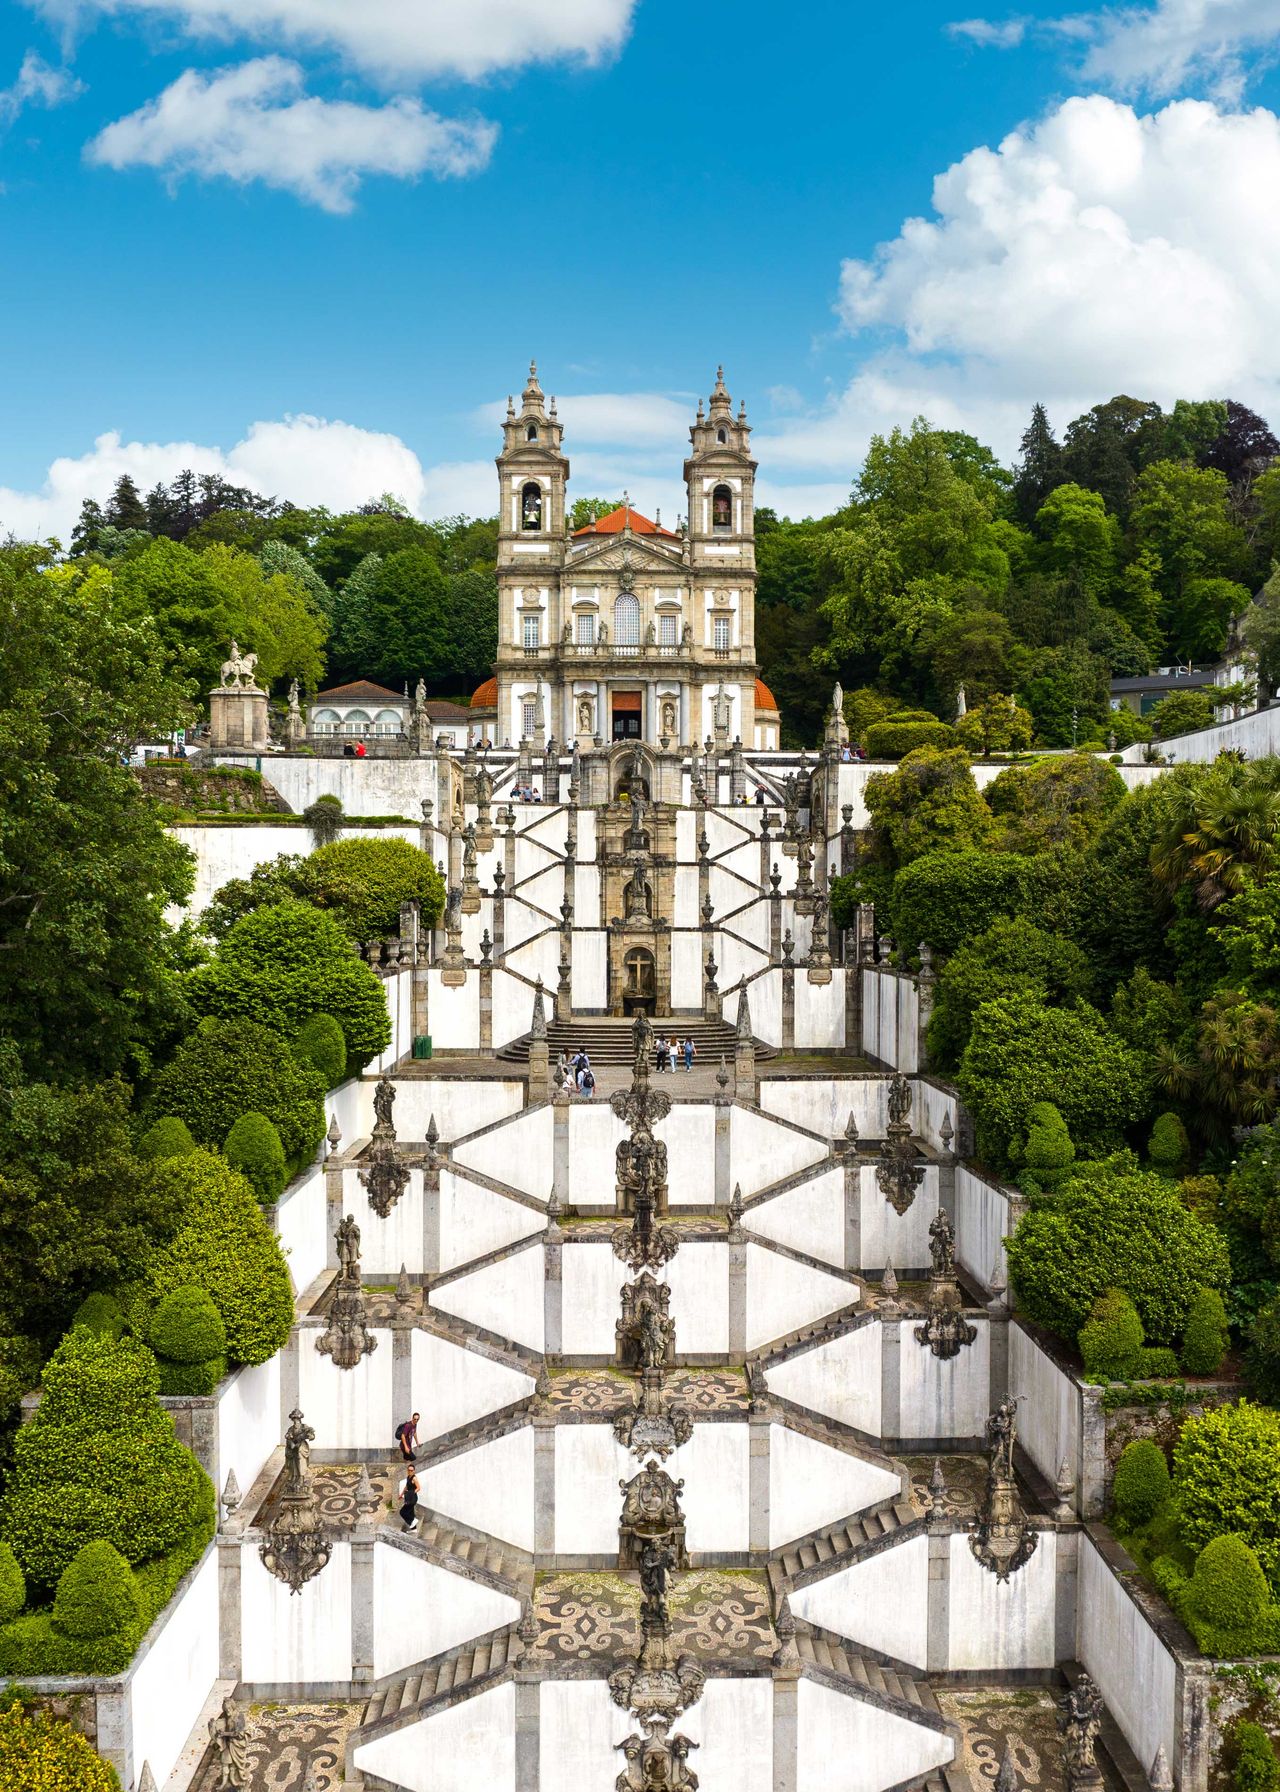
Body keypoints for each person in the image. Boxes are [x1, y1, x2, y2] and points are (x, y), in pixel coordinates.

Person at [399, 1465, 420, 1532]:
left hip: (412, 1499)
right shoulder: (408, 1477)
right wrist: (401, 1494)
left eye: (411, 1470)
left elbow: (418, 1488)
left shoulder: (414, 1478)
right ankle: (414, 1529)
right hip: (409, 1498)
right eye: (409, 1470)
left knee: (402, 1512)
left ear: (414, 1471)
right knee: (411, 1513)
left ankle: (413, 1520)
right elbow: (406, 1487)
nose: (410, 1471)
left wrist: (411, 1493)